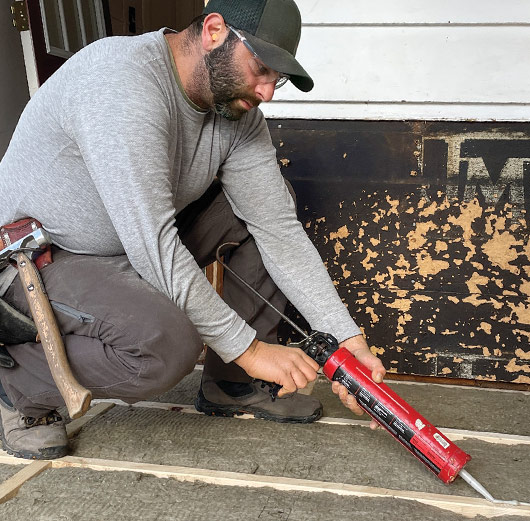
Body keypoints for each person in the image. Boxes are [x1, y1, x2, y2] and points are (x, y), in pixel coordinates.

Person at [0, 0, 386, 460]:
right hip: (39, 257)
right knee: (166, 344)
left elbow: (277, 229)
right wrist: (251, 348)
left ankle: (232, 385)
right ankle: (16, 386)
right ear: (214, 30)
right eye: (260, 68)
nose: (267, 92)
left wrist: (346, 337)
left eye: (277, 78)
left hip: (127, 246)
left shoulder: (238, 117)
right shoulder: (121, 82)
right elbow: (154, 245)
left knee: (259, 209)